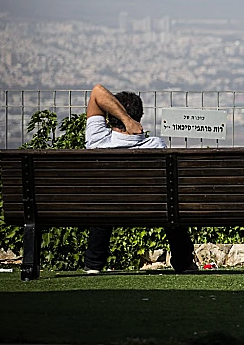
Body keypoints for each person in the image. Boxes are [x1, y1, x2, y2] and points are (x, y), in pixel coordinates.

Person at [83, 83, 197, 274]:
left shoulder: (97, 140)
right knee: (172, 210)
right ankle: (184, 263)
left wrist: (124, 119)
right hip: (154, 210)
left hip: (106, 209)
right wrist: (130, 120)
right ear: (141, 116)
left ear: (110, 116)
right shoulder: (156, 145)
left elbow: (97, 92)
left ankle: (93, 264)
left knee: (104, 204)